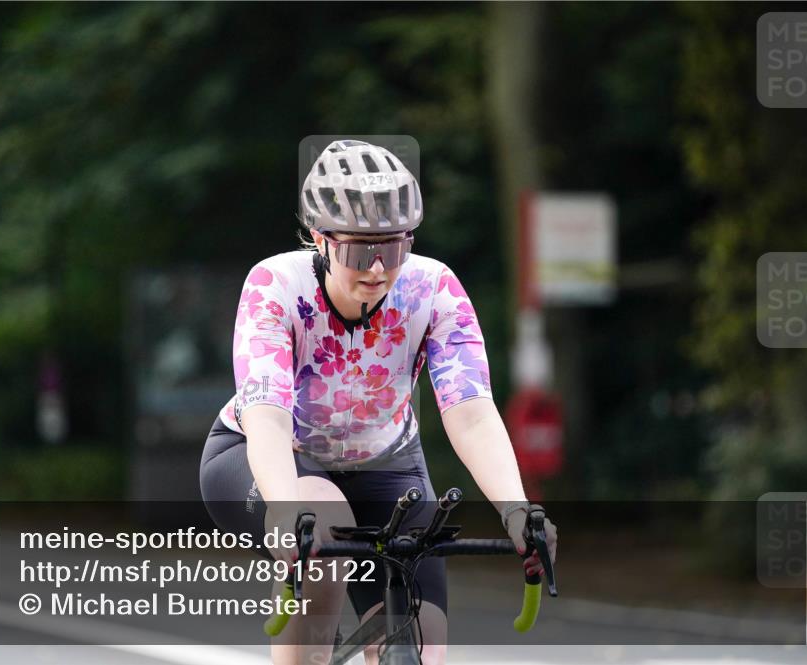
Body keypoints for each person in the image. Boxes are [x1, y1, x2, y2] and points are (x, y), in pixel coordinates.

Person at [200, 139, 557, 665]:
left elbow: (473, 414)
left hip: (386, 465)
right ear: (320, 240)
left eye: (393, 249)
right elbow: (269, 419)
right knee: (322, 525)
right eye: (359, 251)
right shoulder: (275, 285)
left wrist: (515, 508)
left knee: (422, 637)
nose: (377, 269)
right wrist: (283, 505)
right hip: (266, 455)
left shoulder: (435, 289)